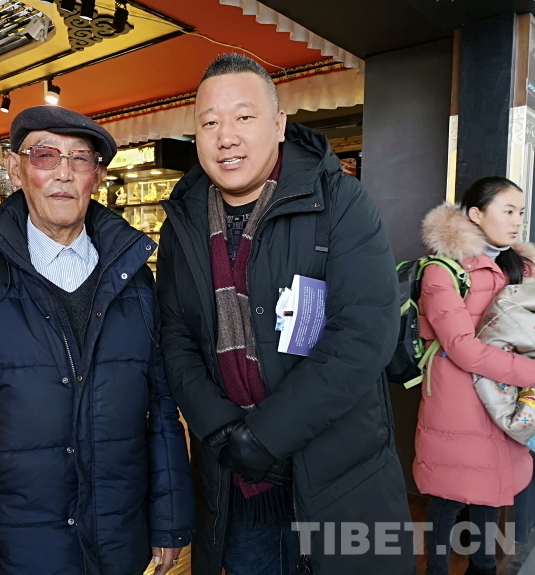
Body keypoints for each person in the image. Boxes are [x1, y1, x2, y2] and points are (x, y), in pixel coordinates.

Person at [0, 106, 194, 575]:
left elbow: (160, 412)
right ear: (15, 169)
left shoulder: (135, 280)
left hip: (116, 539)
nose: (63, 173)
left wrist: (170, 520)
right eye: (44, 155)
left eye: (80, 158)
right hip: (11, 546)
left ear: (97, 176)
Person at [156, 52, 414, 575]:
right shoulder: (182, 221)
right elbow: (175, 336)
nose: (226, 137)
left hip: (339, 477)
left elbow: (364, 332)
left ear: (278, 125)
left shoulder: (339, 200)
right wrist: (223, 433)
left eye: (244, 117)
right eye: (210, 123)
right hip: (236, 488)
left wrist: (265, 437)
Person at [414, 177, 535, 575]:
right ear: (476, 214)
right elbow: (462, 347)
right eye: (508, 211)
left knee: (491, 491)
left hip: (503, 397)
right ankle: (436, 569)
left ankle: (482, 567)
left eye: (520, 212)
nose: (517, 220)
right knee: (450, 494)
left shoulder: (519, 266)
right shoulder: (443, 269)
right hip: (459, 402)